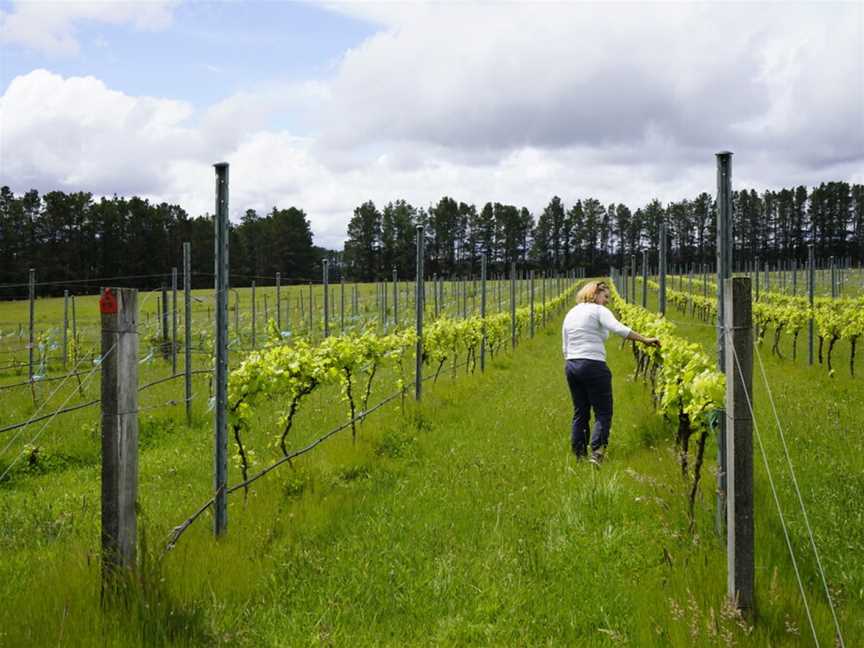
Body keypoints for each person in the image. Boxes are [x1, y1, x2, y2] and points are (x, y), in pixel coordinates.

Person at [562, 280, 660, 465]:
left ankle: (578, 454)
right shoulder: (598, 310)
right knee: (603, 411)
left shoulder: (571, 312)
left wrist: (573, 362)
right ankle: (597, 454)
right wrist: (644, 339)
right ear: (594, 294)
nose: (607, 301)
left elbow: (564, 345)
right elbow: (618, 328)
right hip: (593, 365)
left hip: (572, 365)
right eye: (605, 296)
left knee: (580, 411)